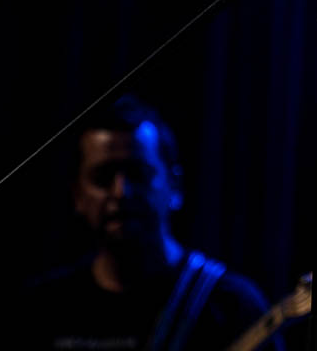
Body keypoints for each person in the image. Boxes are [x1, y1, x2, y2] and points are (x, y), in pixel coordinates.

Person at [16, 94, 283, 350]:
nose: (120, 192)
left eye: (137, 174)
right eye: (103, 177)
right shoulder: (40, 311)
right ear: (77, 195)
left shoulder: (231, 307)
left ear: (174, 185)